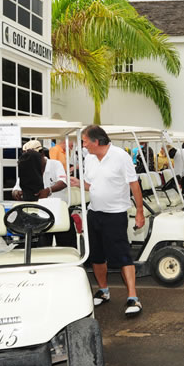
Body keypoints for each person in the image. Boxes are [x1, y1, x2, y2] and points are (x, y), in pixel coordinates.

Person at [71, 125, 145, 317]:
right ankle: (103, 291)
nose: (84, 145)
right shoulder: (89, 158)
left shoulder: (121, 156)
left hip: (116, 214)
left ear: (96, 142)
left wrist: (139, 212)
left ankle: (133, 297)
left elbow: (134, 184)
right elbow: (91, 185)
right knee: (96, 256)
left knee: (122, 256)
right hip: (94, 213)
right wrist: (79, 184)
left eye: (85, 141)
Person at [14, 141, 75, 247]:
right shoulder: (27, 167)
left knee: (66, 245)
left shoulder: (55, 164)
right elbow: (16, 188)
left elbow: (64, 182)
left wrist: (48, 190)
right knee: (42, 247)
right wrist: (16, 193)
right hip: (39, 214)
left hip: (59, 210)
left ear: (42, 154)